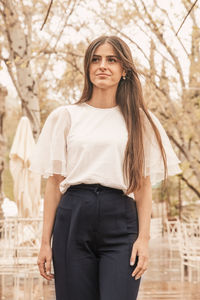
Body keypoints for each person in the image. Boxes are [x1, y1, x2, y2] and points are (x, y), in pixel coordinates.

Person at [29, 35, 181, 300]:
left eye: (112, 60)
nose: (103, 65)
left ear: (124, 70)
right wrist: (44, 243)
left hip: (121, 221)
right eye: (96, 59)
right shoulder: (65, 117)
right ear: (87, 68)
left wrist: (143, 239)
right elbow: (54, 184)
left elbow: (144, 186)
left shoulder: (140, 121)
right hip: (73, 217)